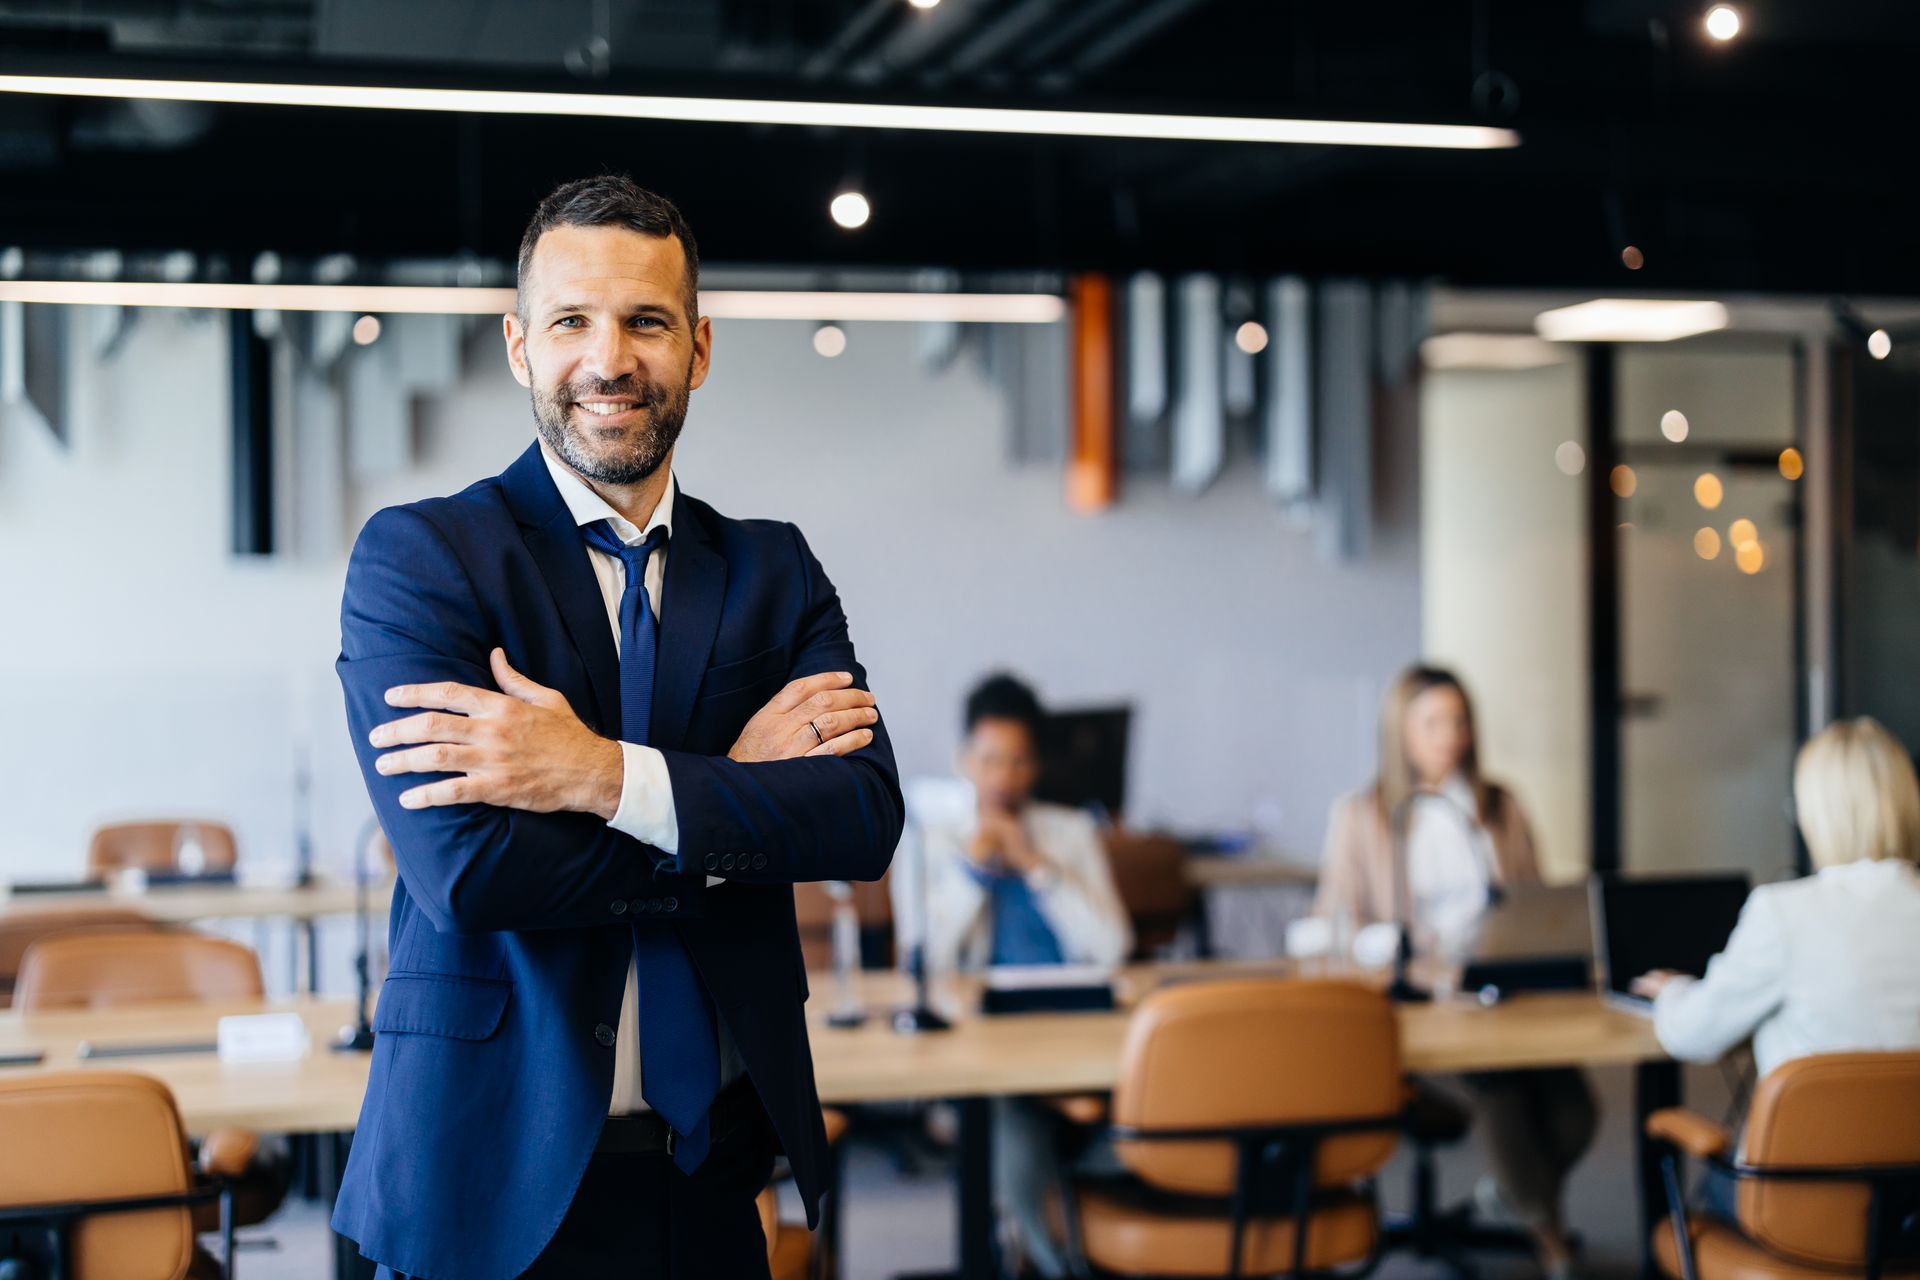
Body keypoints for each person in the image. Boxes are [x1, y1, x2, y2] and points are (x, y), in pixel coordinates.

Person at [332, 175, 903, 1280]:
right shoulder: (424, 559)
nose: (610, 359)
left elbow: (860, 817)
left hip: (712, 1177)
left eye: (646, 321)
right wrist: (727, 803)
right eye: (570, 322)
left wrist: (597, 774)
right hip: (487, 1183)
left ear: (699, 347)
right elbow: (470, 872)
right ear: (519, 347)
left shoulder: (773, 569)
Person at [1315, 665, 1595, 1280]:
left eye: (1460, 721)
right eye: (1434, 723)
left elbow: (1535, 905)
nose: (1451, 736)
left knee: (1576, 1113)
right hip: (1422, 1008)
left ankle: (1511, 1195)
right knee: (1502, 1094)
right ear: (1401, 731)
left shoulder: (1500, 807)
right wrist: (1400, 943)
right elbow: (1334, 921)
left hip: (1501, 995)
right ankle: (1551, 1241)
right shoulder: (1363, 815)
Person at [892, 673, 1131, 1277]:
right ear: (964, 761)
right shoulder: (930, 839)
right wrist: (973, 868)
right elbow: (922, 956)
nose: (1004, 775)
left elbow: (1112, 946)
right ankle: (1054, 1263)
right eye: (991, 758)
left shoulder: (1070, 832)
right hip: (986, 1036)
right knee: (1012, 1120)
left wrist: (1037, 866)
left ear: (1037, 765)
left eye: (1019, 760)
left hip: (1072, 1023)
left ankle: (1055, 1249)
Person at [1634, 716, 1920, 1076]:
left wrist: (1673, 991)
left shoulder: (1783, 913)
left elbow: (1693, 1034)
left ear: (1817, 815)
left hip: (1816, 1117)